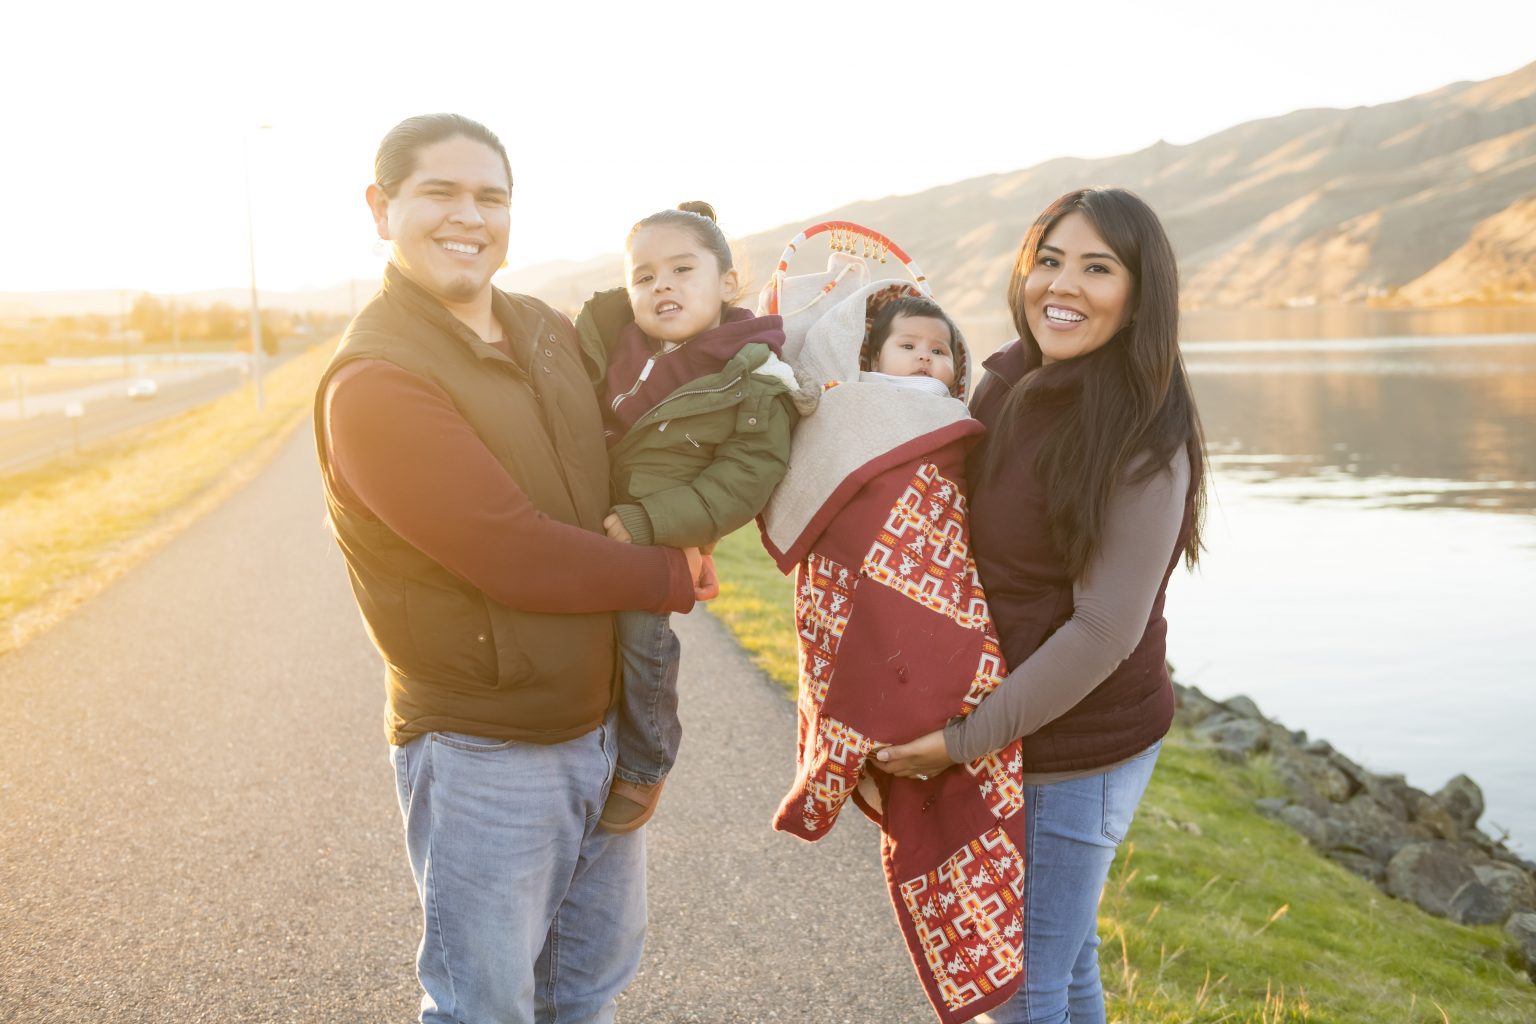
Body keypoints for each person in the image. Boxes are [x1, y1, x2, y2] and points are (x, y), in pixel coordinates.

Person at [313, 113, 715, 1024]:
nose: (470, 217)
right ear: (382, 209)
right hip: (484, 753)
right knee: (484, 1008)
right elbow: (515, 554)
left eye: (490, 197)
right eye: (440, 193)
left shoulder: (543, 329)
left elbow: (645, 429)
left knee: (583, 994)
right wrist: (670, 574)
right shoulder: (376, 381)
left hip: (602, 730)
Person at [877, 187, 1207, 1024]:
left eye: (1098, 268)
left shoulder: (1142, 434)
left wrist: (960, 741)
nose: (1062, 286)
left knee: (1021, 988)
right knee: (1062, 969)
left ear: (1139, 295)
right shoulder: (1008, 379)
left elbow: (1101, 631)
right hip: (1019, 732)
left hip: (1076, 752)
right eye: (1050, 260)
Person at [759, 280, 1028, 1024]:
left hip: (947, 606)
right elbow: (828, 501)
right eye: (908, 346)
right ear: (871, 356)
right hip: (864, 601)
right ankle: (849, 746)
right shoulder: (848, 412)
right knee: (869, 666)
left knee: (958, 737)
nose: (925, 360)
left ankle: (988, 950)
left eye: (941, 352)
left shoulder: (960, 425)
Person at [573, 202, 798, 832]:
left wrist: (654, 523)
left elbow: (747, 477)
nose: (660, 285)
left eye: (681, 269)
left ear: (728, 283)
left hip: (657, 534)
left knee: (643, 643)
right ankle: (584, 743)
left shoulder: (752, 373)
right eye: (643, 277)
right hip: (580, 513)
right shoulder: (601, 340)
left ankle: (646, 763)